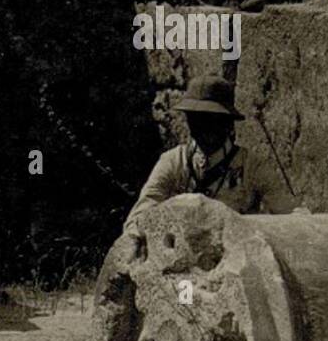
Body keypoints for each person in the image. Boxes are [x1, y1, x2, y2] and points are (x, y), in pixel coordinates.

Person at [123, 76, 302, 236]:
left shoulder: (251, 166)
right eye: (196, 120)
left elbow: (290, 213)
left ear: (227, 124)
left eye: (212, 120)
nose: (204, 129)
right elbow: (141, 213)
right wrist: (135, 236)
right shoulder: (173, 161)